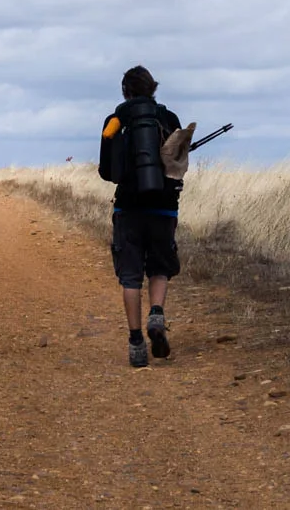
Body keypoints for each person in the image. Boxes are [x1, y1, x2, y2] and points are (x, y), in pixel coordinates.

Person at [98, 65, 183, 368]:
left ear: (126, 91)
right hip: (163, 208)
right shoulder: (169, 119)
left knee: (130, 276)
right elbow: (177, 166)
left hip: (128, 210)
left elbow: (107, 172)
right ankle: (156, 313)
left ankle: (136, 343)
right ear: (152, 88)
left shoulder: (114, 121)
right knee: (159, 267)